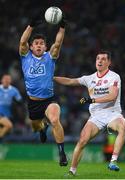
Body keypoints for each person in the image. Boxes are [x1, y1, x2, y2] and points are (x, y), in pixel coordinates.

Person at [54, 50, 125, 174]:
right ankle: (72, 171)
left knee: (123, 126)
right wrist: (52, 78)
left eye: (103, 59)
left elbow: (112, 96)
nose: (100, 60)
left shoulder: (114, 77)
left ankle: (113, 161)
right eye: (98, 58)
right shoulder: (89, 78)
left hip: (112, 113)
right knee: (82, 140)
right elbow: (70, 81)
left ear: (109, 62)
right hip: (96, 116)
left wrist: (91, 99)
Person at [19, 12, 68, 166]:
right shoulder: (25, 56)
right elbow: (22, 42)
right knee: (35, 127)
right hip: (33, 102)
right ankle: (42, 128)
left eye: (42, 43)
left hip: (49, 100)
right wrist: (31, 25)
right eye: (36, 43)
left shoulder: (50, 56)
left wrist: (62, 27)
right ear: (31, 47)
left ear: (45, 46)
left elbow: (58, 43)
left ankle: (62, 153)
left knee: (54, 119)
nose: (39, 45)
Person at [0, 74, 22, 139]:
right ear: (1, 80)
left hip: (8, 115)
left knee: (7, 130)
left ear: (10, 81)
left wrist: (16, 101)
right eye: (5, 79)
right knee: (9, 125)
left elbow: (20, 101)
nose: (6, 80)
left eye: (8, 79)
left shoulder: (14, 90)